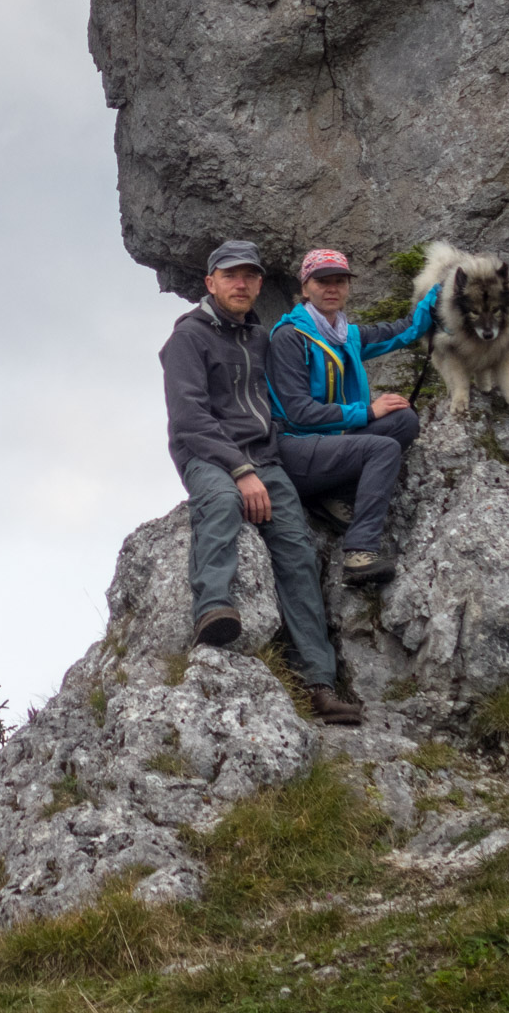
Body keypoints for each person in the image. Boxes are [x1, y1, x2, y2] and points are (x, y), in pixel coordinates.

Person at [160, 239, 365, 726]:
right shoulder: (188, 338)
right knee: (222, 501)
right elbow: (190, 417)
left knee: (296, 549)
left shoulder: (260, 337)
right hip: (207, 454)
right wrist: (241, 469)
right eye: (231, 275)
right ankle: (213, 610)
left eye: (250, 276)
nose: (242, 283)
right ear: (210, 283)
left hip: (265, 456)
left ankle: (318, 682)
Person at [268, 247, 442, 587]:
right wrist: (366, 412)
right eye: (322, 281)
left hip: (331, 446)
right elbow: (298, 413)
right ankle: (360, 552)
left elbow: (404, 330)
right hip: (294, 450)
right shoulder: (289, 337)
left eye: (339, 281)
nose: (332, 288)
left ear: (348, 288)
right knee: (382, 449)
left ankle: (331, 496)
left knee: (405, 421)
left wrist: (440, 289)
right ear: (305, 289)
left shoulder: (347, 335)